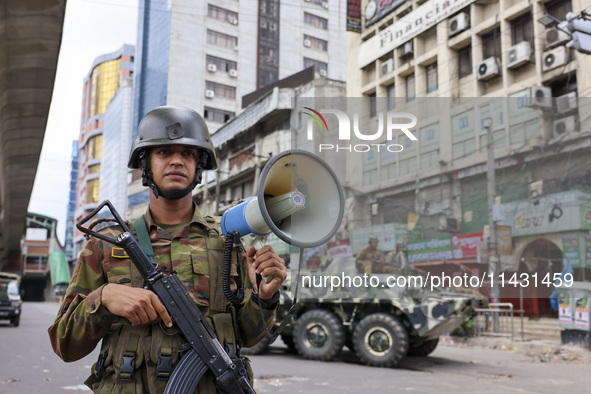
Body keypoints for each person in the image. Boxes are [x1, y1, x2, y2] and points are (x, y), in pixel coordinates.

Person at [48, 106, 287, 393]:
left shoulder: (227, 241)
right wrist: (104, 298)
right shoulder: (107, 241)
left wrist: (265, 297)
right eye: (164, 153)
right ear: (143, 165)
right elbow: (64, 344)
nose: (177, 161)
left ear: (199, 166)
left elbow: (248, 336)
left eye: (188, 154)